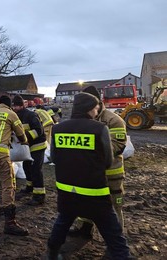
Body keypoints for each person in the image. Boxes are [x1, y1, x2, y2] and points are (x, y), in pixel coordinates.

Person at [46, 92, 131, 259]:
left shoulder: (58, 128)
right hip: (94, 191)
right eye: (95, 107)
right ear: (88, 109)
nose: (97, 109)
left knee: (62, 222)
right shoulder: (99, 128)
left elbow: (54, 157)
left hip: (67, 189)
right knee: (113, 233)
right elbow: (107, 161)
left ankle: (52, 253)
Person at [68, 85, 128, 238]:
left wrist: (90, 155)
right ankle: (85, 229)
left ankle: (116, 239)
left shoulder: (114, 120)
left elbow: (118, 146)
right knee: (85, 201)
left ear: (97, 102)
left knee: (114, 206)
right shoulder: (80, 119)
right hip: (88, 173)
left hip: (111, 174)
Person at [0, 95, 29, 236]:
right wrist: (24, 141)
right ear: (10, 105)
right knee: (8, 183)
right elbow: (20, 133)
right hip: (0, 153)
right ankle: (10, 223)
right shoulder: (11, 114)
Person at [12, 95, 48, 206]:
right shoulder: (16, 117)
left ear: (22, 105)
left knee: (36, 169)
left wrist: (24, 137)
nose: (14, 108)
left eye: (16, 106)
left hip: (38, 145)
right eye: (13, 106)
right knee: (26, 166)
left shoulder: (31, 115)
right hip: (28, 146)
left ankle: (39, 195)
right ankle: (30, 187)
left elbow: (39, 131)